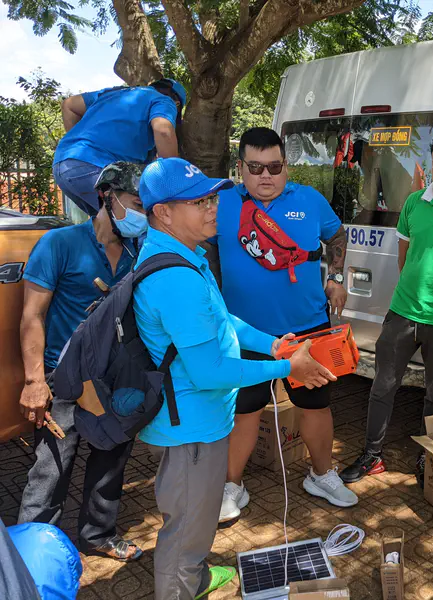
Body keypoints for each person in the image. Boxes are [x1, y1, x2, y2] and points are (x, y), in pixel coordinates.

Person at [133, 157, 335, 600]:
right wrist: (288, 368)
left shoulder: (187, 258)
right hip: (192, 425)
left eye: (209, 197)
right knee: (186, 525)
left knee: (199, 515)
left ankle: (197, 576)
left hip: (201, 419)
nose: (211, 208)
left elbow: (226, 323)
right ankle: (181, 588)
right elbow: (211, 372)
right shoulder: (176, 279)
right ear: (164, 213)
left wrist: (276, 345)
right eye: (197, 201)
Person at [211, 127, 357, 519]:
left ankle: (322, 474)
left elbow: (337, 237)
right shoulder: (220, 204)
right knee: (244, 410)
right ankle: (232, 485)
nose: (266, 176)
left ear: (286, 166)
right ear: (240, 167)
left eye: (274, 166)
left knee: (316, 405)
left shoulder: (309, 200)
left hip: (308, 327)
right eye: (255, 167)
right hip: (246, 332)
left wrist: (336, 278)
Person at [341, 130, 433, 484]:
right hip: (403, 313)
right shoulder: (413, 203)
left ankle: (429, 460)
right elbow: (404, 260)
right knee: (383, 386)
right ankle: (372, 455)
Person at [17, 162, 146, 560]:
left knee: (111, 458)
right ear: (108, 198)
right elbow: (32, 317)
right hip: (65, 377)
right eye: (137, 202)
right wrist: (35, 381)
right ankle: (33, 557)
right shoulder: (60, 244)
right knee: (51, 468)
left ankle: (97, 535)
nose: (144, 211)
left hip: (113, 378)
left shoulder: (138, 250)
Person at [54, 78, 185, 216]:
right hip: (97, 166)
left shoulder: (114, 93)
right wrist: (174, 180)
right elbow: (163, 131)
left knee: (107, 229)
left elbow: (69, 105)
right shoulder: (164, 100)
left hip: (62, 165)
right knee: (144, 219)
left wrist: (81, 148)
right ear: (177, 104)